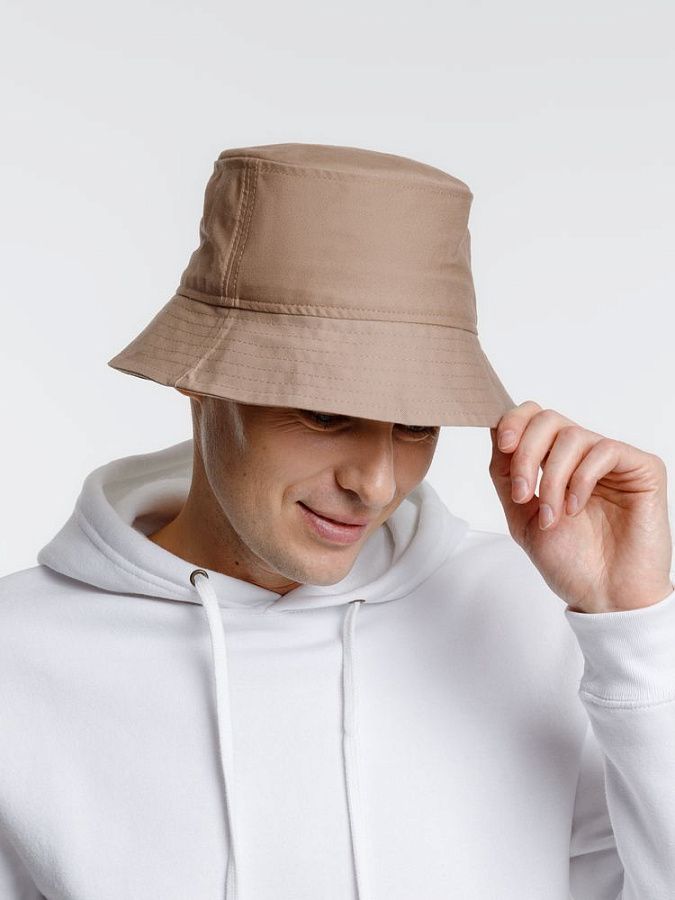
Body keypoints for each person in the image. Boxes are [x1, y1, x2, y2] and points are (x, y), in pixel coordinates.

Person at [1, 143, 673, 900]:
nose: (376, 483)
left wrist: (633, 626)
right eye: (324, 414)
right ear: (201, 380)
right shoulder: (19, 655)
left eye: (415, 425)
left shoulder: (532, 613)